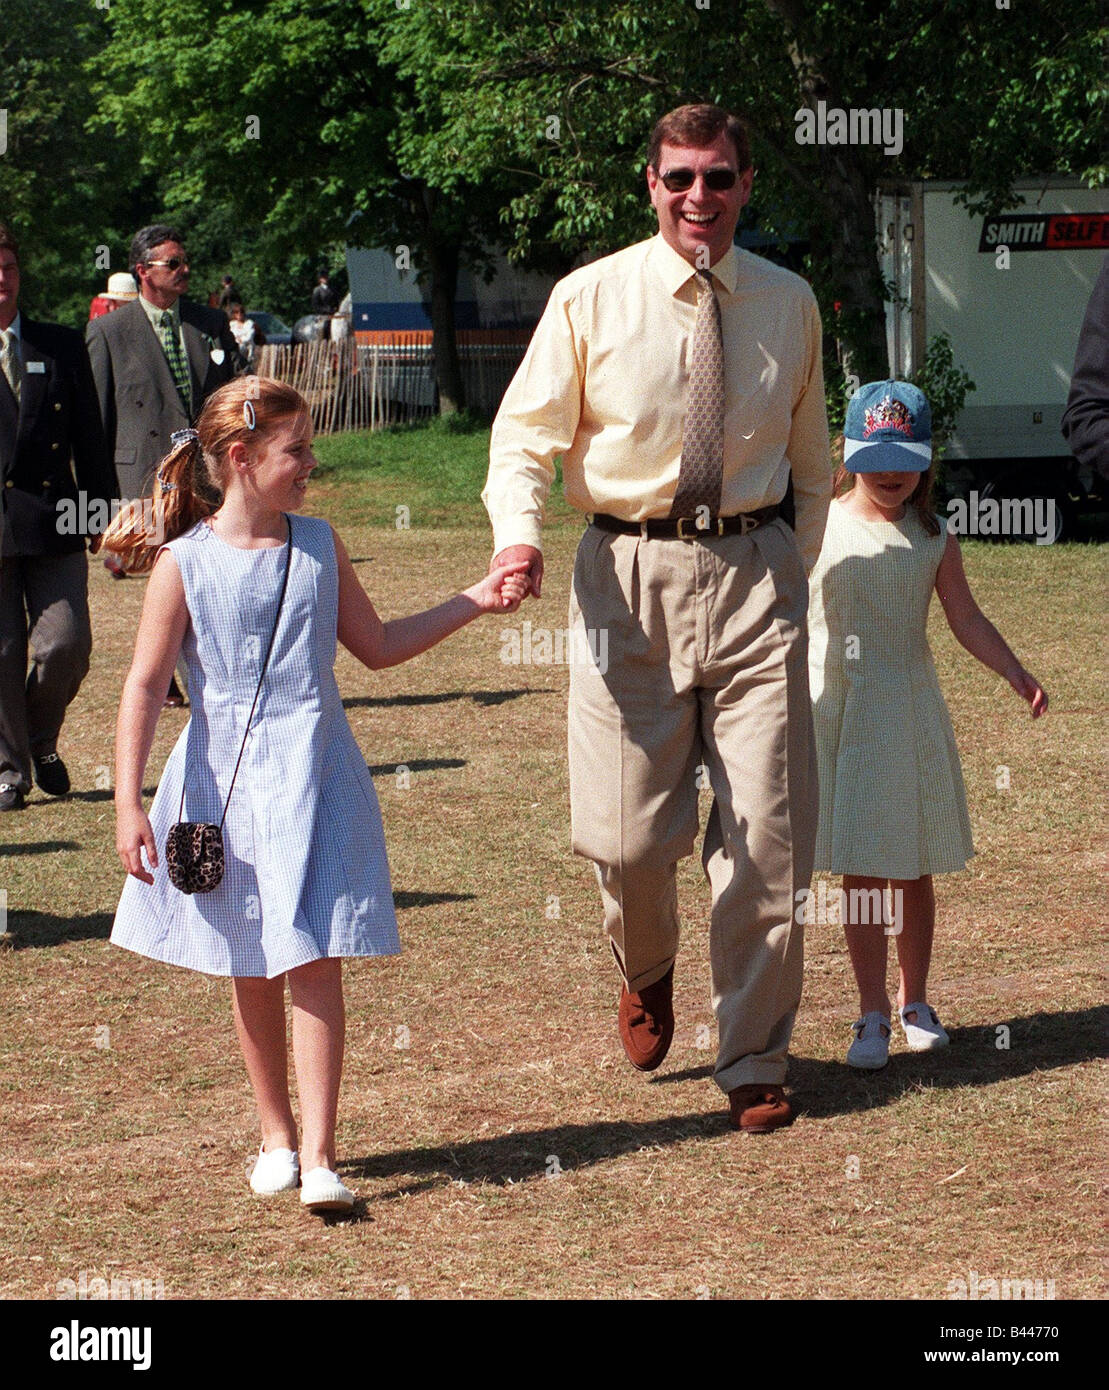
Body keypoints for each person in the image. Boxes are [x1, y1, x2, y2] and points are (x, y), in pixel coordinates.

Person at [483, 104, 832, 1133]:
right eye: (678, 178)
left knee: (769, 837)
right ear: (649, 186)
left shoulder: (788, 301)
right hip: (623, 579)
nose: (697, 198)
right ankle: (646, 965)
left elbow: (812, 466)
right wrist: (517, 535)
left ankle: (754, 1055)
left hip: (755, 577)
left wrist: (787, 568)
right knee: (628, 839)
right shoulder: (587, 298)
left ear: (744, 183)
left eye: (717, 179)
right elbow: (521, 438)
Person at [103, 376, 528, 1210]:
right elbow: (144, 687)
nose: (310, 465)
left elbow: (377, 646)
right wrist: (126, 802)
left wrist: (474, 600)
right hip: (219, 786)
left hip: (318, 772)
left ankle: (324, 1155)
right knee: (249, 961)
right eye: (295, 450)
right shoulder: (182, 565)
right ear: (241, 458)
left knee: (317, 956)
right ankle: (275, 1137)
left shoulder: (320, 546)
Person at [807, 381, 1047, 1070]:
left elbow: (962, 617)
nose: (889, 472)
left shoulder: (932, 535)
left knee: (910, 867)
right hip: (837, 709)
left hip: (904, 710)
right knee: (857, 866)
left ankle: (915, 1002)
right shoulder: (816, 524)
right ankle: (869, 1013)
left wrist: (1012, 670)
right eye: (873, 455)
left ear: (925, 461)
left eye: (904, 458)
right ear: (847, 454)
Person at [86, 224, 241, 700]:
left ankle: (210, 673)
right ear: (143, 272)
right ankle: (173, 677)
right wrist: (98, 502)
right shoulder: (108, 333)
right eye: (172, 264)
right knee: (169, 579)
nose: (184, 270)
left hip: (207, 475)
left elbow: (232, 394)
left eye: (184, 261)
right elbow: (95, 420)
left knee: (211, 574)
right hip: (143, 478)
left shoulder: (207, 324)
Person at [0, 222, 117, 811]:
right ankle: (8, 770)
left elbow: (89, 437)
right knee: (1, 652)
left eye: (9, 266)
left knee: (66, 645)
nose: (0, 279)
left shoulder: (60, 344)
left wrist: (104, 511)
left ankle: (41, 740)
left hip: (57, 518)